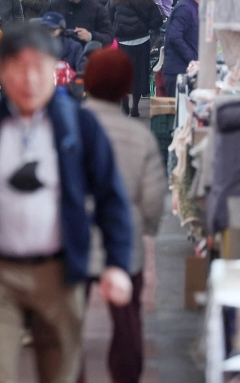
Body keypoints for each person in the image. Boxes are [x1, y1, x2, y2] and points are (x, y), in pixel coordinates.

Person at [0, 23, 135, 383]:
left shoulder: (80, 127)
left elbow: (111, 197)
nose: (30, 79)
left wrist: (117, 263)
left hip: (61, 275)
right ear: (1, 71)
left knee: (61, 374)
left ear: (55, 71)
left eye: (39, 67)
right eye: (18, 67)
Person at [82, 48, 168, 383]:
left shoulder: (67, 127)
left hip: (75, 236)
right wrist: (145, 226)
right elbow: (153, 197)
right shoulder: (139, 136)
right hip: (123, 236)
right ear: (125, 87)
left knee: (66, 322)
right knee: (127, 322)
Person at [107, 0, 164, 117]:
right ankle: (135, 107)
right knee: (138, 74)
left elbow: (108, 19)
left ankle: (124, 100)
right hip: (142, 42)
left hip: (121, 43)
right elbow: (156, 22)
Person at [162, 0, 202, 97]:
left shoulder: (194, 7)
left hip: (186, 70)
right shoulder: (185, 8)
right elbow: (175, 36)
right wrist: (192, 59)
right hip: (178, 72)